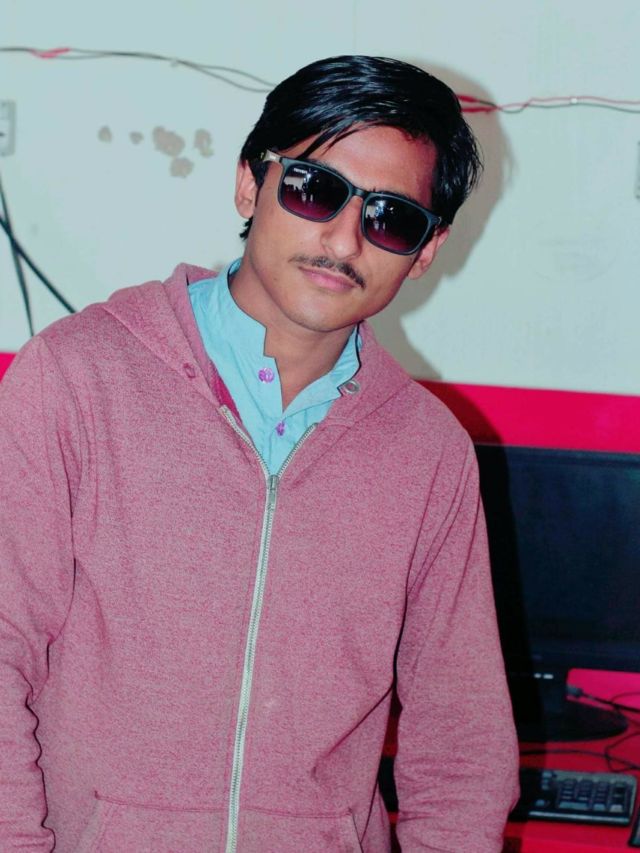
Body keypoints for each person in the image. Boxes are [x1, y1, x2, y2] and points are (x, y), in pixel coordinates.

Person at [0, 55, 518, 852]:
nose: (343, 239)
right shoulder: (77, 379)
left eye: (389, 218)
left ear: (425, 250)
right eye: (315, 189)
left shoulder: (429, 453)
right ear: (250, 183)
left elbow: (462, 739)